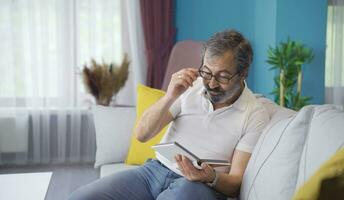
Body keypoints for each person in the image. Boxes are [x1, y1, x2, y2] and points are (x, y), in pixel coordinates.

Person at [68, 29, 270, 200]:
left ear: (243, 73)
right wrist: (170, 96)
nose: (212, 83)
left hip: (198, 187)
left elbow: (234, 182)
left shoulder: (254, 113)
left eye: (223, 76)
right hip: (153, 172)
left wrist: (208, 177)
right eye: (207, 72)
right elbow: (142, 134)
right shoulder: (192, 87)